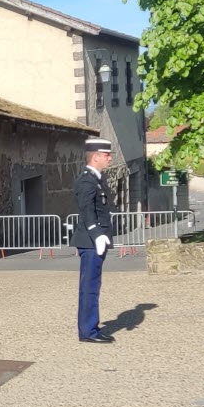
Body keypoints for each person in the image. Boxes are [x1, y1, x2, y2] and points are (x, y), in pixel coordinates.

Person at [71, 137, 117, 344]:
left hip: (96, 240)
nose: (110, 158)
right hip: (91, 241)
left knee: (93, 285)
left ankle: (91, 327)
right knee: (89, 286)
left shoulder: (97, 179)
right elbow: (87, 209)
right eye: (107, 155)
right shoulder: (86, 180)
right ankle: (88, 331)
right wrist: (96, 233)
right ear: (96, 156)